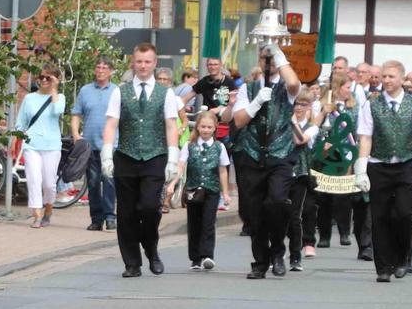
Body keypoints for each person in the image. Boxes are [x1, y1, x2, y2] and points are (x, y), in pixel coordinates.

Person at [100, 43, 183, 277]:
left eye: (147, 62)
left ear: (155, 63)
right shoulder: (120, 91)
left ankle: (151, 249)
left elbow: (170, 125)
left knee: (148, 207)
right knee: (126, 213)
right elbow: (111, 123)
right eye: (139, 61)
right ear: (133, 63)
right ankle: (132, 263)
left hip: (154, 156)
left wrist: (172, 157)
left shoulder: (165, 93)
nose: (143, 66)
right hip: (126, 156)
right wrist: (107, 153)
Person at [354, 59, 412, 283]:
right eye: (384, 77)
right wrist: (361, 168)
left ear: (401, 78)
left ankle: (402, 257)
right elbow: (366, 138)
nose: (386, 81)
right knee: (379, 217)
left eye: (391, 77)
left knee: (403, 214)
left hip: (407, 164)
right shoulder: (372, 104)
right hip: (379, 165)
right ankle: (383, 266)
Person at [229, 42, 303, 279]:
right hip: (252, 154)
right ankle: (260, 261)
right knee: (254, 212)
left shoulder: (285, 88)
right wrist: (257, 102)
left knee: (277, 202)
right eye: (264, 58)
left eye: (269, 58)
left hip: (280, 154)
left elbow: (294, 83)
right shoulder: (248, 89)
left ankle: (278, 252)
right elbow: (239, 121)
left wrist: (279, 55)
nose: (267, 62)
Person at [310, 81, 360, 248]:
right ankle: (324, 235)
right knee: (323, 199)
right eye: (346, 86)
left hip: (342, 158)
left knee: (343, 198)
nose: (349, 90)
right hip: (322, 159)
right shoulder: (319, 108)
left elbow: (352, 135)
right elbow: (312, 131)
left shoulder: (351, 109)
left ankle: (345, 232)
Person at [71, 57, 118, 231]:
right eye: (98, 67)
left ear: (111, 71)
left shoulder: (117, 91)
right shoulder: (85, 90)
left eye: (105, 67)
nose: (100, 70)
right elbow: (76, 113)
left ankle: (110, 216)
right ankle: (96, 219)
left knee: (110, 181)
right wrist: (76, 134)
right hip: (89, 145)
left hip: (111, 145)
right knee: (92, 182)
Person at [14, 67, 64, 227]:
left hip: (52, 145)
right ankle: (36, 214)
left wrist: (54, 89)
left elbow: (58, 111)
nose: (43, 80)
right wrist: (14, 142)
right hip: (32, 145)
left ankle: (48, 209)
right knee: (34, 180)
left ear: (56, 80)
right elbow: (20, 122)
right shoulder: (29, 98)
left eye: (48, 78)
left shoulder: (59, 97)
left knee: (49, 183)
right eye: (41, 77)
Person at [182, 110, 230, 270]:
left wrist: (225, 193)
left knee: (208, 222)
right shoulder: (189, 146)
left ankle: (207, 255)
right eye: (203, 127)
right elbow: (181, 165)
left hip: (212, 189)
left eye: (209, 127)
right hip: (193, 190)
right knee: (194, 223)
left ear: (215, 128)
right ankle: (195, 258)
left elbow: (222, 170)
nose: (206, 130)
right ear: (197, 127)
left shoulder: (219, 146)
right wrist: (173, 182)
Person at [286, 95, 319, 268]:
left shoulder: (312, 128)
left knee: (295, 215)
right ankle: (276, 251)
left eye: (303, 104)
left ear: (309, 107)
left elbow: (300, 139)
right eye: (295, 104)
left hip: (300, 175)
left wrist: (292, 122)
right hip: (282, 173)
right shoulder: (283, 124)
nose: (298, 108)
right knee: (277, 212)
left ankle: (295, 256)